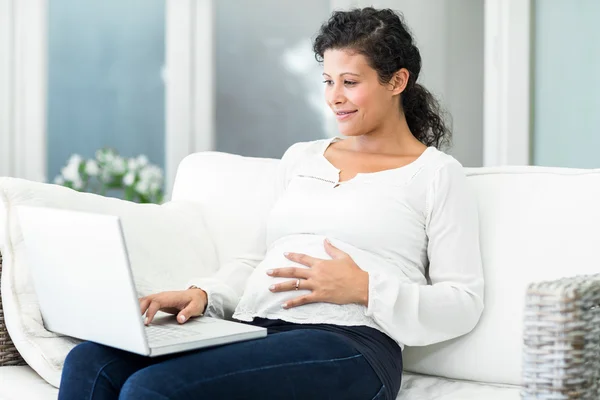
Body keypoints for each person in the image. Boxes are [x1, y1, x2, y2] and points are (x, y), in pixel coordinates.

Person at [58, 7, 484, 400]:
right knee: (91, 363)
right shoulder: (302, 157)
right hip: (253, 329)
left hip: (350, 344)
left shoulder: (435, 174)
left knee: (154, 389)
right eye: (328, 81)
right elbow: (259, 259)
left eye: (350, 82)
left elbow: (463, 301)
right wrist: (203, 294)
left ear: (397, 81)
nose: (334, 96)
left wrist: (365, 289)